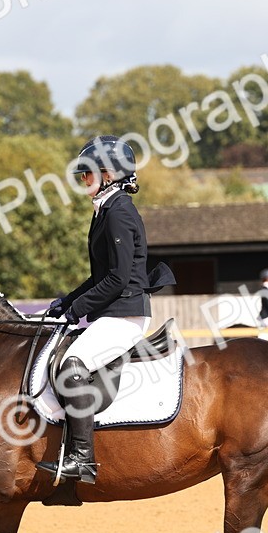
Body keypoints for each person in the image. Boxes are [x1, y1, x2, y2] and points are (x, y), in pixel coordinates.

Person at [37, 135, 175, 485]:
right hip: (115, 311)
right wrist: (67, 302)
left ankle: (82, 459)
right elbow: (100, 275)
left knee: (71, 366)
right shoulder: (106, 211)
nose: (83, 181)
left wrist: (77, 310)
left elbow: (116, 280)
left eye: (87, 174)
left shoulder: (119, 212)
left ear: (109, 175)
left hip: (126, 313)